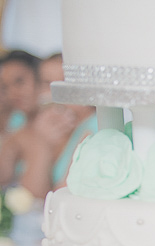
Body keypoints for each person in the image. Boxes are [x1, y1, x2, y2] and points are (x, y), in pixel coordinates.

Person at [0, 53, 96, 198]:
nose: (55, 92)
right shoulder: (42, 126)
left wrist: (40, 144)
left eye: (65, 81)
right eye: (47, 83)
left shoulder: (93, 128)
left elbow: (51, 199)